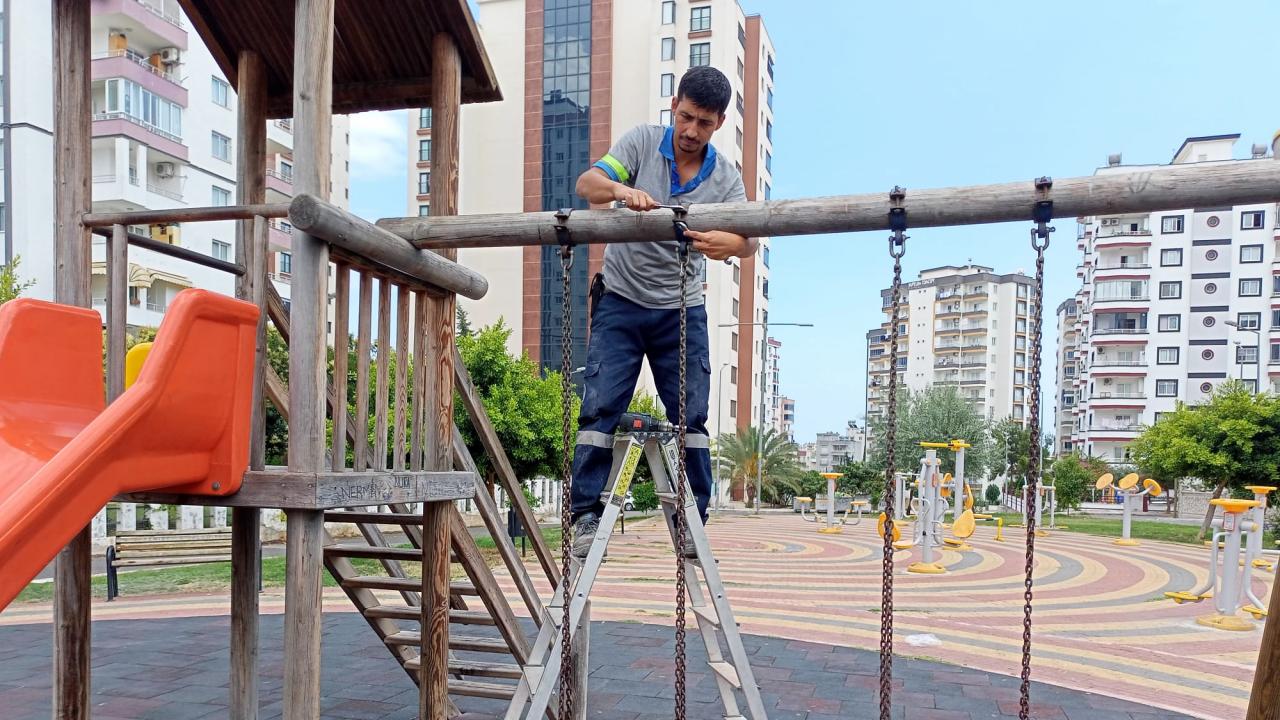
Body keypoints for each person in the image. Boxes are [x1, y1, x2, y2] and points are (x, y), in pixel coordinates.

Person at [569, 65, 757, 557]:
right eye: (687, 118)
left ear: (719, 123)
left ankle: (691, 518)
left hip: (681, 309)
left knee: (691, 416)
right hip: (622, 302)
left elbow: (750, 238)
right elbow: (587, 184)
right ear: (674, 106)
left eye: (706, 123)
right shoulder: (640, 143)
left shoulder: (726, 177)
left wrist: (729, 243)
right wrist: (620, 191)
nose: (693, 131)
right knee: (600, 407)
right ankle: (584, 517)